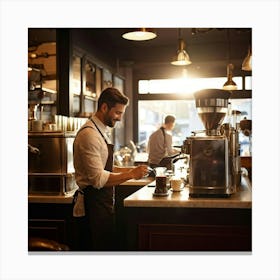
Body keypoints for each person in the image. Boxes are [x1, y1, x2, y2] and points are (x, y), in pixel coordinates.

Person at [73, 87, 148, 251]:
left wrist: (131, 170)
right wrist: (131, 174)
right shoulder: (89, 135)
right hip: (92, 205)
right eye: (118, 113)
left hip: (102, 203)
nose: (120, 118)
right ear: (104, 107)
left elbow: (106, 167)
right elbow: (98, 179)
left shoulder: (100, 131)